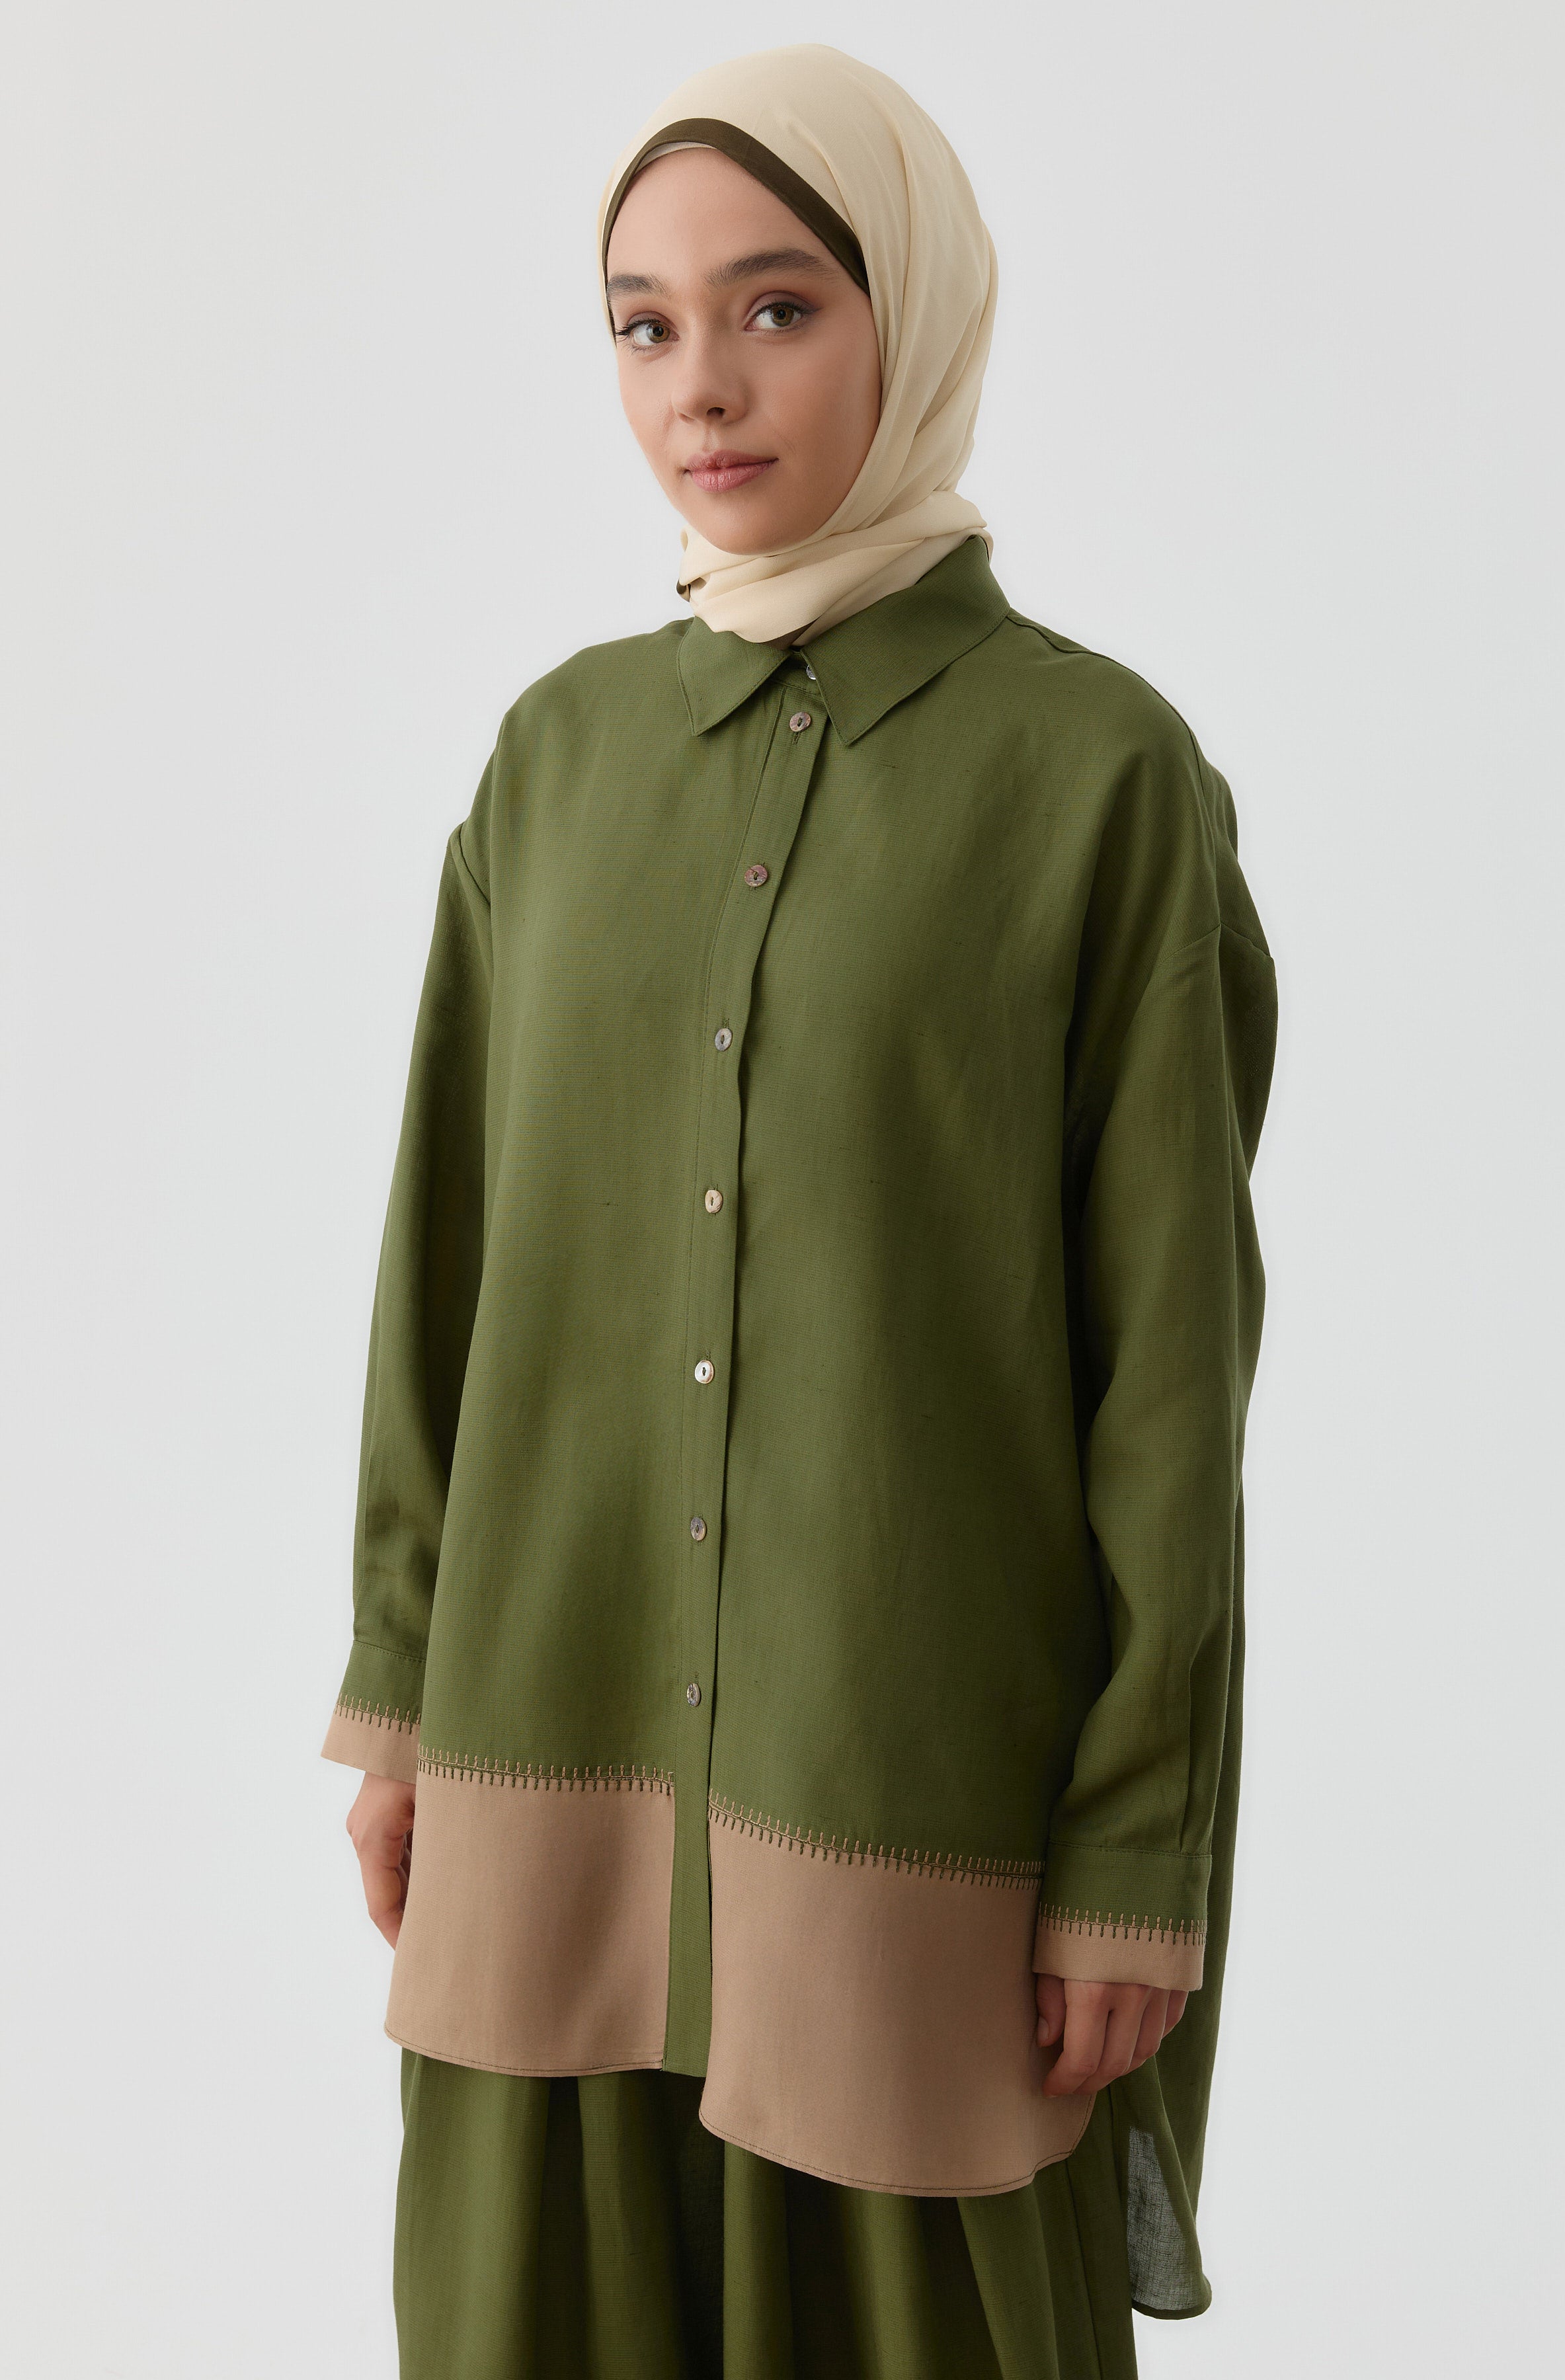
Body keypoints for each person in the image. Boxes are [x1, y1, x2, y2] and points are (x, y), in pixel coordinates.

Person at [323, 43, 1277, 2380]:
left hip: (912, 1789)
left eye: (776, 307)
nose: (702, 388)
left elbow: (1169, 1374)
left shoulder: (1101, 781)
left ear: (912, 315)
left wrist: (1132, 1845)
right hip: (545, 1749)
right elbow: (443, 1267)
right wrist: (399, 1697)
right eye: (644, 324)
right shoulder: (553, 766)